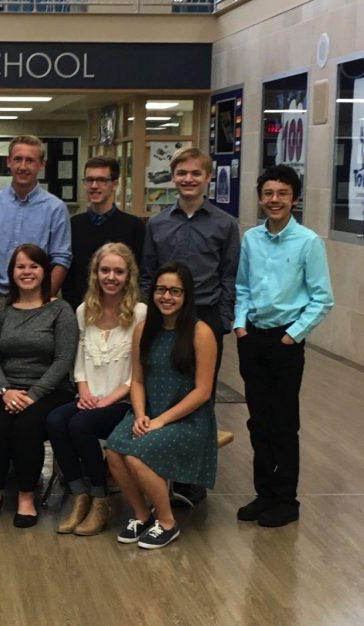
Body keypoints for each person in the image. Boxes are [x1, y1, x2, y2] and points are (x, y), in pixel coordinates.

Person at [234, 166, 334, 527]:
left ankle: (285, 499)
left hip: (285, 341)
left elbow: (322, 298)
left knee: (283, 422)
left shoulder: (308, 242)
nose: (274, 200)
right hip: (253, 339)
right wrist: (240, 325)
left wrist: (293, 335)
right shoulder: (251, 239)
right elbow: (242, 286)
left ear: (295, 198)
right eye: (268, 193)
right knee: (258, 420)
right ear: (260, 198)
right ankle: (265, 494)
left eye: (283, 193)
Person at [140, 146, 239, 506]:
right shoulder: (157, 222)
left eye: (196, 173)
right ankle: (159, 464)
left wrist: (224, 321)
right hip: (165, 316)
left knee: (201, 397)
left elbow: (230, 276)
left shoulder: (225, 224)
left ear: (208, 178)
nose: (188, 179)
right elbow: (148, 273)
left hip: (206, 317)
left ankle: (191, 478)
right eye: (181, 173)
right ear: (173, 177)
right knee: (163, 389)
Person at [105, 262, 218, 549]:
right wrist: (141, 414)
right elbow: (138, 381)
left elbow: (203, 392)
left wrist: (160, 421)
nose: (166, 297)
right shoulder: (143, 330)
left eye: (175, 291)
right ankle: (142, 515)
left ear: (187, 295)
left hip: (187, 419)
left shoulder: (201, 332)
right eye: (160, 290)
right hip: (149, 413)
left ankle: (167, 522)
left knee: (136, 455)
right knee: (115, 451)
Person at [0, 244, 78, 528]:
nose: (27, 272)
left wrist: (33, 395)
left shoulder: (60, 310)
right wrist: (5, 391)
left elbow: (63, 359)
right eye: (21, 266)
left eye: (34, 266)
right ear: (12, 272)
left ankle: (26, 497)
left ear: (45, 272)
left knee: (27, 426)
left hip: (49, 389)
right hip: (5, 388)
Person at [47, 243, 146, 536]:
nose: (111, 277)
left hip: (123, 401)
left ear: (129, 276)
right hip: (90, 397)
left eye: (118, 271)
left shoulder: (140, 313)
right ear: (95, 273)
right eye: (105, 270)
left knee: (80, 425)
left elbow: (138, 373)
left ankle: (101, 499)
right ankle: (81, 495)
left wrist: (108, 400)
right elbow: (79, 360)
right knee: (54, 420)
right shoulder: (83, 310)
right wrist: (85, 392)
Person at [0, 135, 72, 309]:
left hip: (38, 298)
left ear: (41, 165)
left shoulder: (55, 208)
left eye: (30, 160)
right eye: (18, 159)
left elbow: (61, 259)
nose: (23, 166)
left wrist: (43, 303)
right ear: (9, 162)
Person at [61, 156, 144, 310]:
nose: (94, 186)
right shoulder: (73, 225)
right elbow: (68, 275)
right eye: (89, 180)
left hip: (122, 312)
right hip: (80, 310)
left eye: (101, 180)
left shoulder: (133, 226)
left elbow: (138, 274)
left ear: (114, 184)